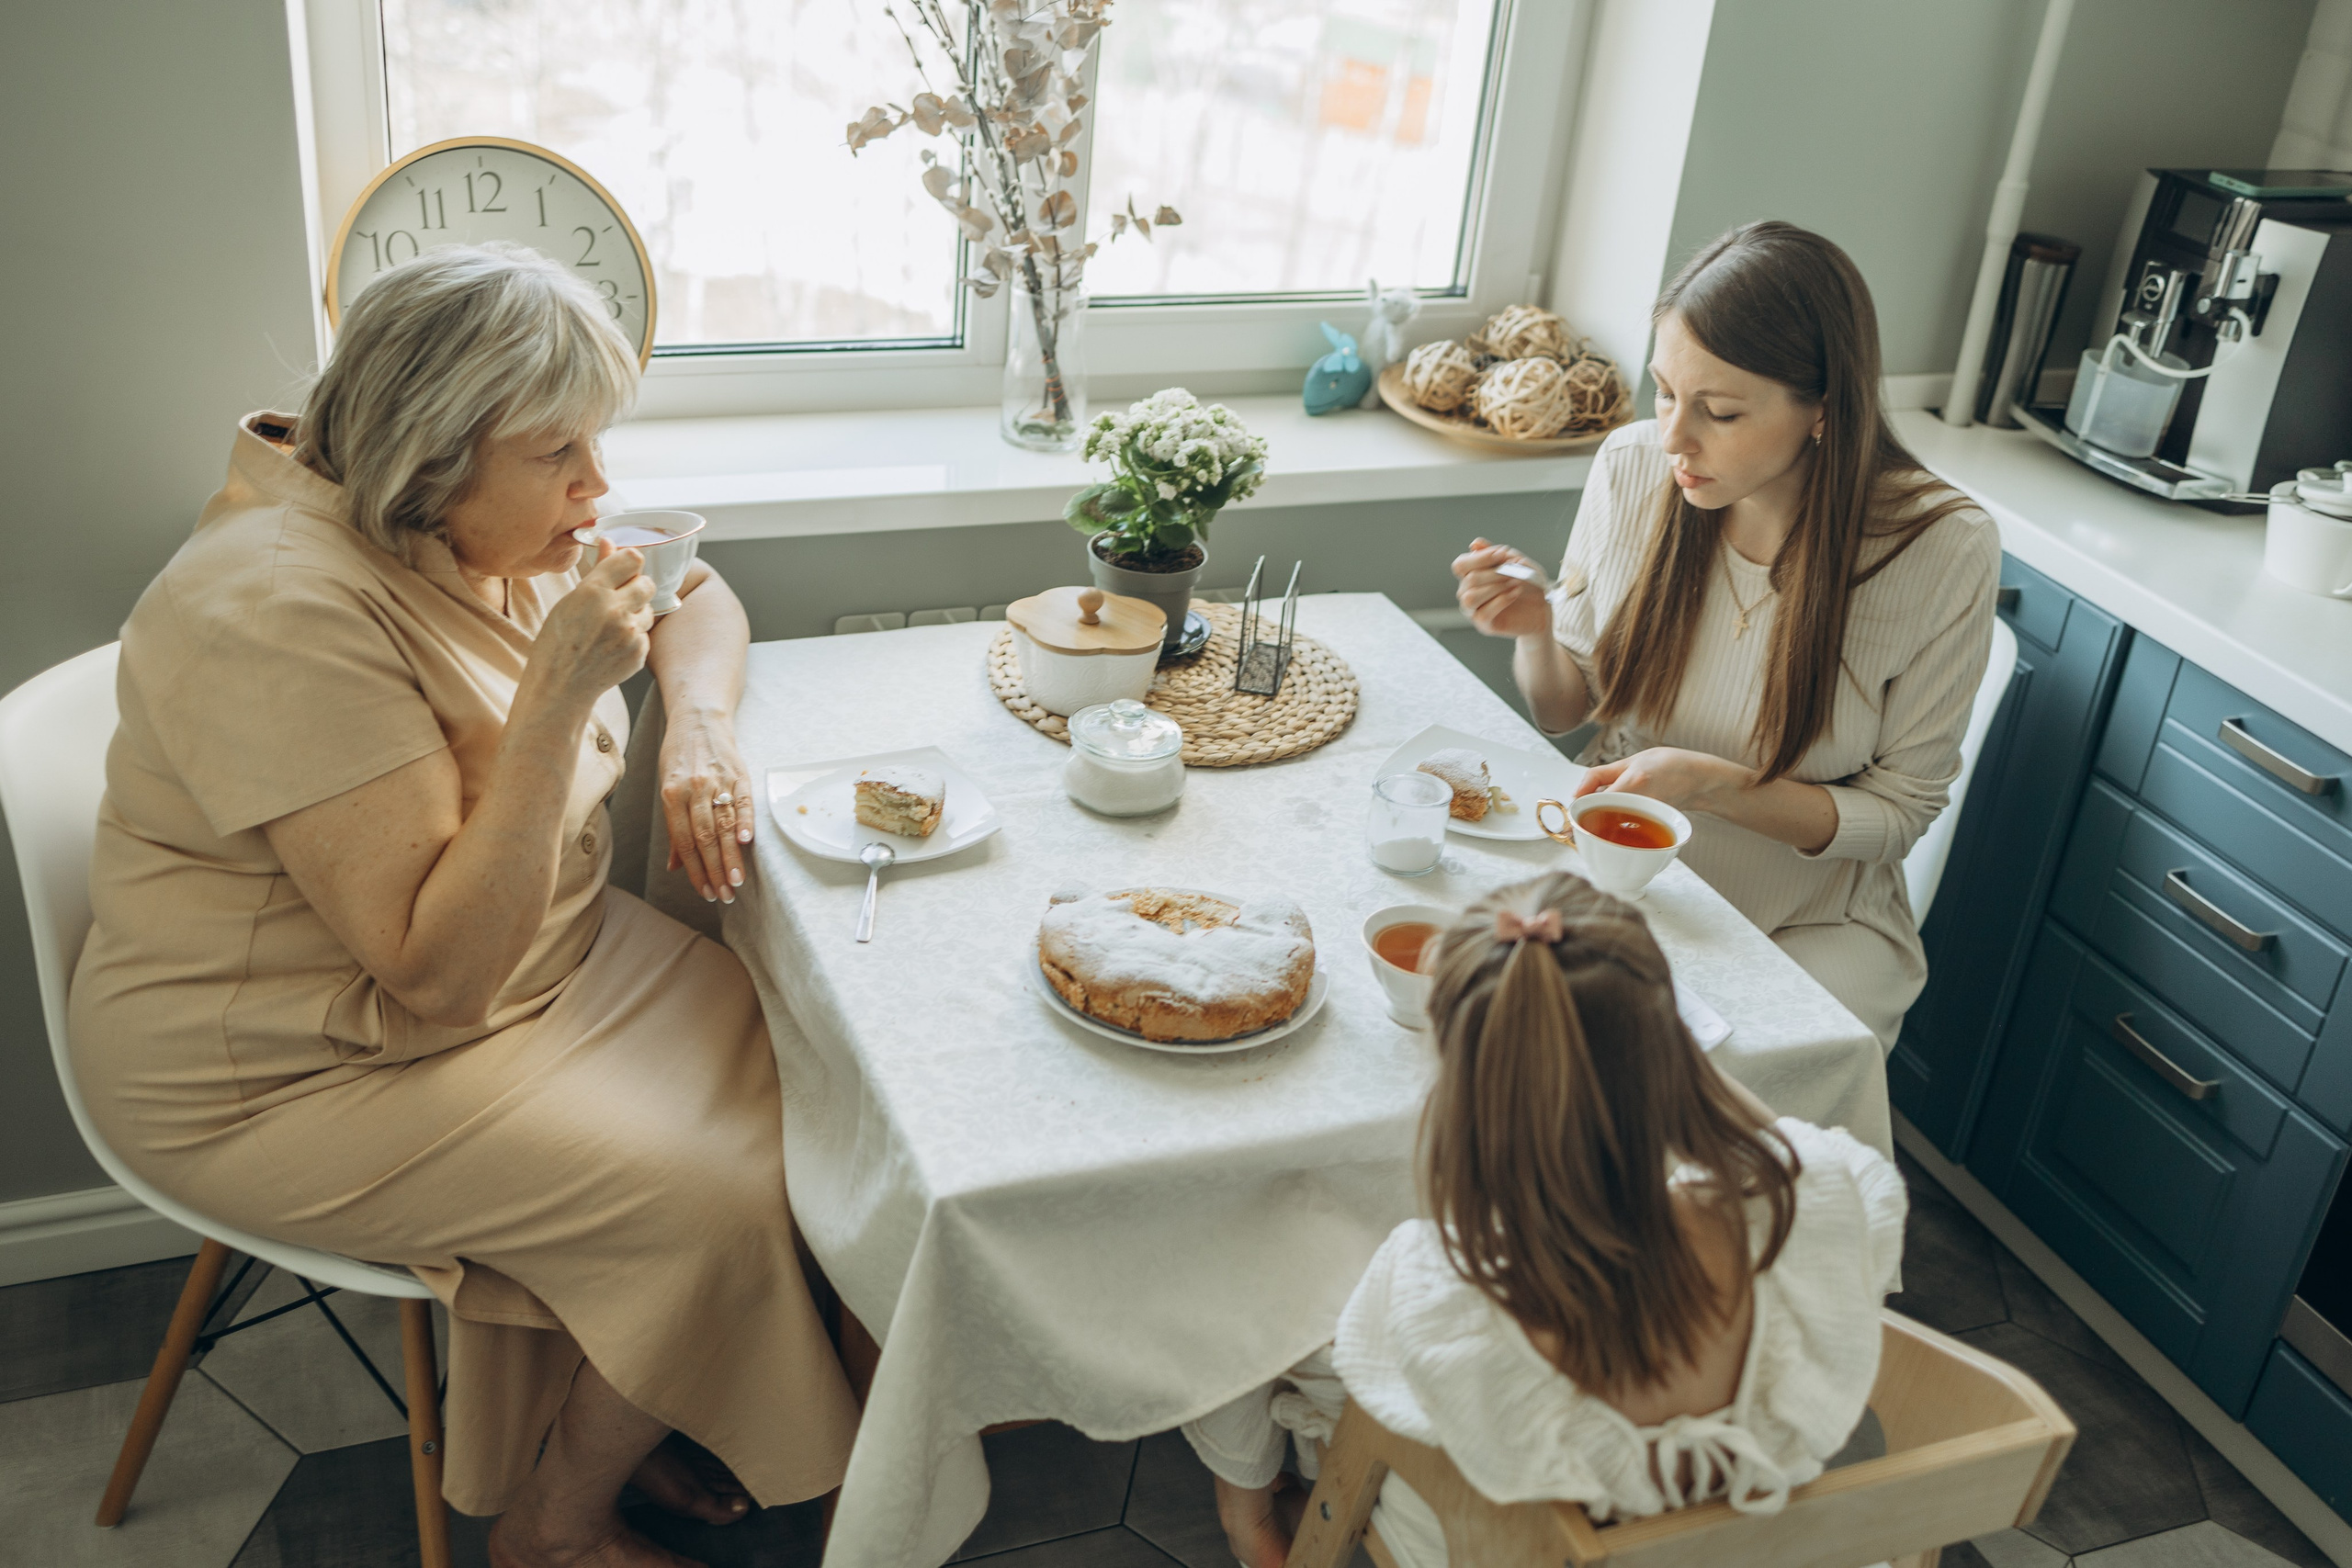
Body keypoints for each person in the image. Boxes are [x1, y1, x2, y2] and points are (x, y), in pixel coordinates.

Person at [68, 243, 856, 1568]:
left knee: (814, 1057)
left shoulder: (465, 520)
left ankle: (643, 1380)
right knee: (721, 1196)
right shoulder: (274, 611)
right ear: (428, 454)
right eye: (560, 453)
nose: (596, 486)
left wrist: (698, 730)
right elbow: (435, 977)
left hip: (536, 962)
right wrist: (556, 701)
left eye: (595, 441)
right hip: (296, 1061)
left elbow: (696, 589)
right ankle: (554, 1526)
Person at [1184, 874, 1905, 1568]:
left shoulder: (1441, 1287)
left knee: (1277, 1286)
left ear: (1466, 1093)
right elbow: (1797, 1156)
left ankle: (1251, 1515)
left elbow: (1385, 1388)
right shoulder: (1817, 1199)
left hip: (1497, 1546)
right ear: (1672, 1044)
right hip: (1757, 1544)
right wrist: (1673, 1056)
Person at [1453, 221, 1999, 1047]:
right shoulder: (1634, 466)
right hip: (1620, 872)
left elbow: (1897, 815)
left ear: (1823, 409)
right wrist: (1535, 632)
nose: (1674, 436)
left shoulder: (1943, 548)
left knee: (1694, 1090)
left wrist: (1713, 786)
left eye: (1720, 411)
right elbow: (1566, 712)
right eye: (1664, 392)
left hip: (1811, 922)